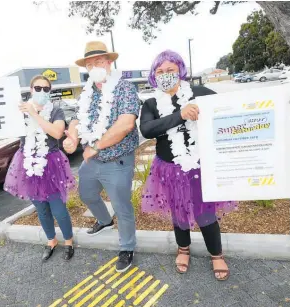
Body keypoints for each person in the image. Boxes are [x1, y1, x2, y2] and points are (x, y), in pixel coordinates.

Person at [140, 50, 237, 281]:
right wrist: (181, 115)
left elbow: (230, 110)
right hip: (169, 169)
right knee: (178, 212)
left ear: (180, 71)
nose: (165, 75)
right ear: (154, 75)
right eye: (160, 71)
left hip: (198, 166)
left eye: (170, 70)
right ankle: (183, 248)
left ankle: (216, 254)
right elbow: (147, 129)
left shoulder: (199, 93)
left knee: (206, 212)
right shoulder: (151, 103)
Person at [63, 41, 140, 273]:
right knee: (86, 194)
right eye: (89, 63)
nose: (94, 66)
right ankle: (105, 221)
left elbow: (126, 124)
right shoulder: (88, 92)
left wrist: (94, 147)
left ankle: (127, 247)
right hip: (92, 160)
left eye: (98, 61)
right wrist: (73, 138)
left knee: (121, 205)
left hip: (117, 160)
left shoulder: (124, 88)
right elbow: (76, 119)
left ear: (109, 62)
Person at [4, 75, 76, 261]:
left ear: (49, 91)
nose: (42, 92)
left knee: (58, 209)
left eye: (46, 89)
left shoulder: (55, 111)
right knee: (42, 209)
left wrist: (34, 114)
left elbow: (57, 132)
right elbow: (5, 126)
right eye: (38, 88)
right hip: (28, 165)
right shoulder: (20, 111)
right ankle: (51, 240)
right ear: (31, 89)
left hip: (51, 165)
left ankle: (68, 241)